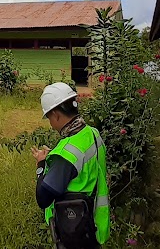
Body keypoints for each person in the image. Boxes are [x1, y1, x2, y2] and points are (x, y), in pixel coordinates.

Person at [31, 82, 109, 249]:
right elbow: (84, 167)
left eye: (50, 118)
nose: (51, 124)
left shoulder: (66, 155)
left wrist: (41, 165)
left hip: (75, 231)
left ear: (56, 114)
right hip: (94, 225)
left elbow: (43, 198)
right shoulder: (92, 133)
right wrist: (59, 159)